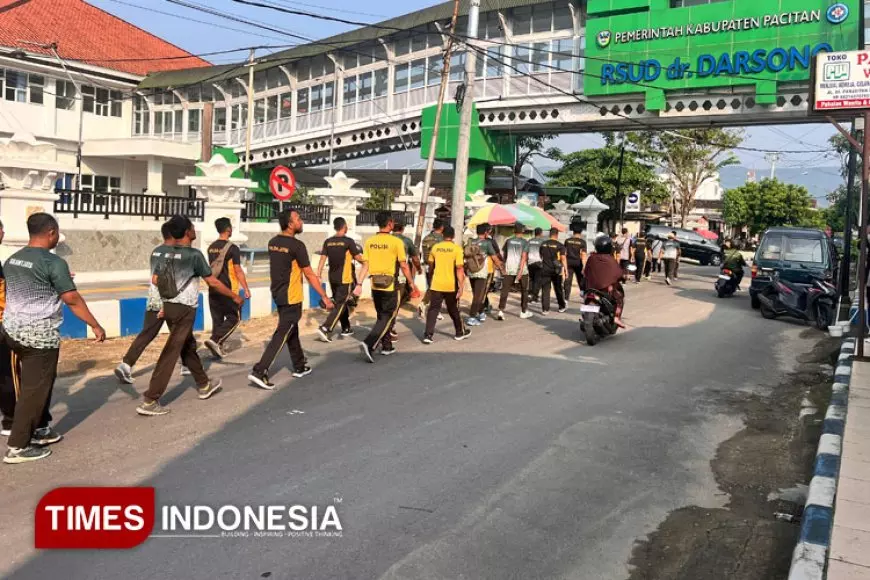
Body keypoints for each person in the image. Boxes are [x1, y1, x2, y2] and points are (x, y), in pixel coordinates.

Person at [1, 213, 106, 463]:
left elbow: (31, 286)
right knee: (34, 389)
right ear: (51, 232)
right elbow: (71, 299)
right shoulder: (53, 262)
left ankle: (40, 429)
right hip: (40, 337)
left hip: (12, 331)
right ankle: (18, 446)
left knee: (40, 384)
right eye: (57, 233)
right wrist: (95, 325)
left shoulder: (13, 259)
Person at [138, 216, 241, 416]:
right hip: (185, 309)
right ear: (187, 232)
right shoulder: (194, 255)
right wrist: (234, 296)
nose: (195, 229)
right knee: (172, 350)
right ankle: (151, 399)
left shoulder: (162, 252)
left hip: (169, 306)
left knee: (187, 346)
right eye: (193, 227)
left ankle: (203, 385)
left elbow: (156, 279)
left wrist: (163, 303)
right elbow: (213, 282)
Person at [248, 209, 333, 389]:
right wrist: (324, 296)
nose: (301, 221)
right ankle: (260, 370)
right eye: (297, 219)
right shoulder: (297, 246)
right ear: (290, 224)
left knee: (291, 329)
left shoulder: (273, 243)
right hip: (291, 295)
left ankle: (299, 365)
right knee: (283, 331)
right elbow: (309, 274)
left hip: (277, 293)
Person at [114, 222, 176, 384]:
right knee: (181, 333)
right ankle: (187, 364)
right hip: (168, 301)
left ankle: (126, 364)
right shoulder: (174, 253)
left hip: (153, 299)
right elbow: (159, 279)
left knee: (147, 333)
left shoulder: (156, 251)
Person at [355, 211, 418, 362]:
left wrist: (359, 283)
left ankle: (387, 346)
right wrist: (411, 283)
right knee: (388, 316)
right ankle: (369, 343)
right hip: (390, 284)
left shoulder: (370, 241)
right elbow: (404, 265)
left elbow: (365, 265)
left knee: (381, 316)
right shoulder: (397, 242)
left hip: (375, 284)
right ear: (390, 223)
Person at [204, 218, 251, 359]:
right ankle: (215, 340)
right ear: (229, 229)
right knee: (234, 318)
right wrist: (246, 288)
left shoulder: (210, 247)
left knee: (217, 320)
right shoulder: (233, 248)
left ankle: (216, 348)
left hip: (213, 288)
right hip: (228, 289)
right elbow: (238, 271)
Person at [316, 217, 365, 342]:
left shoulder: (328, 241)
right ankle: (326, 328)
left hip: (332, 278)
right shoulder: (348, 241)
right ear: (344, 227)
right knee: (341, 304)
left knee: (339, 302)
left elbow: (322, 258)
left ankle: (346, 328)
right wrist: (366, 261)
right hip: (345, 278)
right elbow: (358, 257)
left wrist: (318, 274)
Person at [422, 226, 471, 343]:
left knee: (433, 309)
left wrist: (432, 277)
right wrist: (461, 286)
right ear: (453, 236)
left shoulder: (435, 247)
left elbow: (431, 264)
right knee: (453, 308)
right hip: (450, 284)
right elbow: (459, 268)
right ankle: (459, 332)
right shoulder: (457, 249)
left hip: (437, 283)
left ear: (443, 235)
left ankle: (428, 335)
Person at [584, 235, 626, 328]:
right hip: (605, 289)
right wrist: (624, 277)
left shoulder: (591, 258)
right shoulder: (610, 259)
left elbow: (586, 271)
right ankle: (616, 317)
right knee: (619, 299)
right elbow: (618, 273)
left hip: (591, 288)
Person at [465, 224, 503, 326]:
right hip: (481, 273)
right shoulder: (487, 243)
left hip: (471, 271)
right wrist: (501, 268)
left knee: (477, 294)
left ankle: (481, 313)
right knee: (479, 296)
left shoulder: (470, 241)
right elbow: (495, 258)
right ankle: (472, 317)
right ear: (486, 232)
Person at [390, 221, 421, 340]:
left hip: (383, 276)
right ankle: (390, 328)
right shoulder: (406, 241)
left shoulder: (387, 239)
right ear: (402, 229)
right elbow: (415, 259)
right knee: (395, 304)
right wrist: (418, 270)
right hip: (400, 277)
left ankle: (386, 326)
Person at [497, 223, 533, 320]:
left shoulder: (508, 241)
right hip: (522, 270)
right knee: (524, 290)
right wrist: (520, 271)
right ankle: (523, 311)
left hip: (509, 269)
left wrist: (504, 267)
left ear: (514, 231)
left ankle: (501, 311)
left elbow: (505, 255)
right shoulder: (525, 242)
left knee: (505, 290)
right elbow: (524, 257)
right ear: (522, 231)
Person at [418, 218, 445, 320]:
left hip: (427, 266)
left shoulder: (426, 238)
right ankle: (426, 304)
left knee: (432, 287)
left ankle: (432, 308)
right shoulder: (441, 239)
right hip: (438, 266)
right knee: (438, 289)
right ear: (442, 227)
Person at [539, 227, 568, 315]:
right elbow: (563, 258)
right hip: (556, 271)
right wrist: (566, 270)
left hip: (545, 270)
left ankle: (545, 309)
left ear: (549, 234)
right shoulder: (560, 245)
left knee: (545, 290)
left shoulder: (543, 244)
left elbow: (541, 256)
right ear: (557, 235)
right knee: (558, 289)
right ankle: (561, 306)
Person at [563, 227, 587, 300]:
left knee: (568, 280)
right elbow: (583, 255)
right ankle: (584, 297)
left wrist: (563, 266)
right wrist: (584, 266)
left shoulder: (567, 241)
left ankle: (566, 299)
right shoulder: (582, 242)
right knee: (581, 280)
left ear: (573, 232)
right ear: (580, 233)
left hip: (569, 262)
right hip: (578, 263)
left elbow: (564, 253)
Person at [527, 228, 545, 302]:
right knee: (537, 281)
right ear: (540, 233)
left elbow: (526, 251)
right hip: (538, 263)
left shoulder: (529, 241)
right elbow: (544, 253)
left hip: (530, 262)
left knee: (531, 279)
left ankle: (530, 295)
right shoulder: (542, 242)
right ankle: (535, 297)